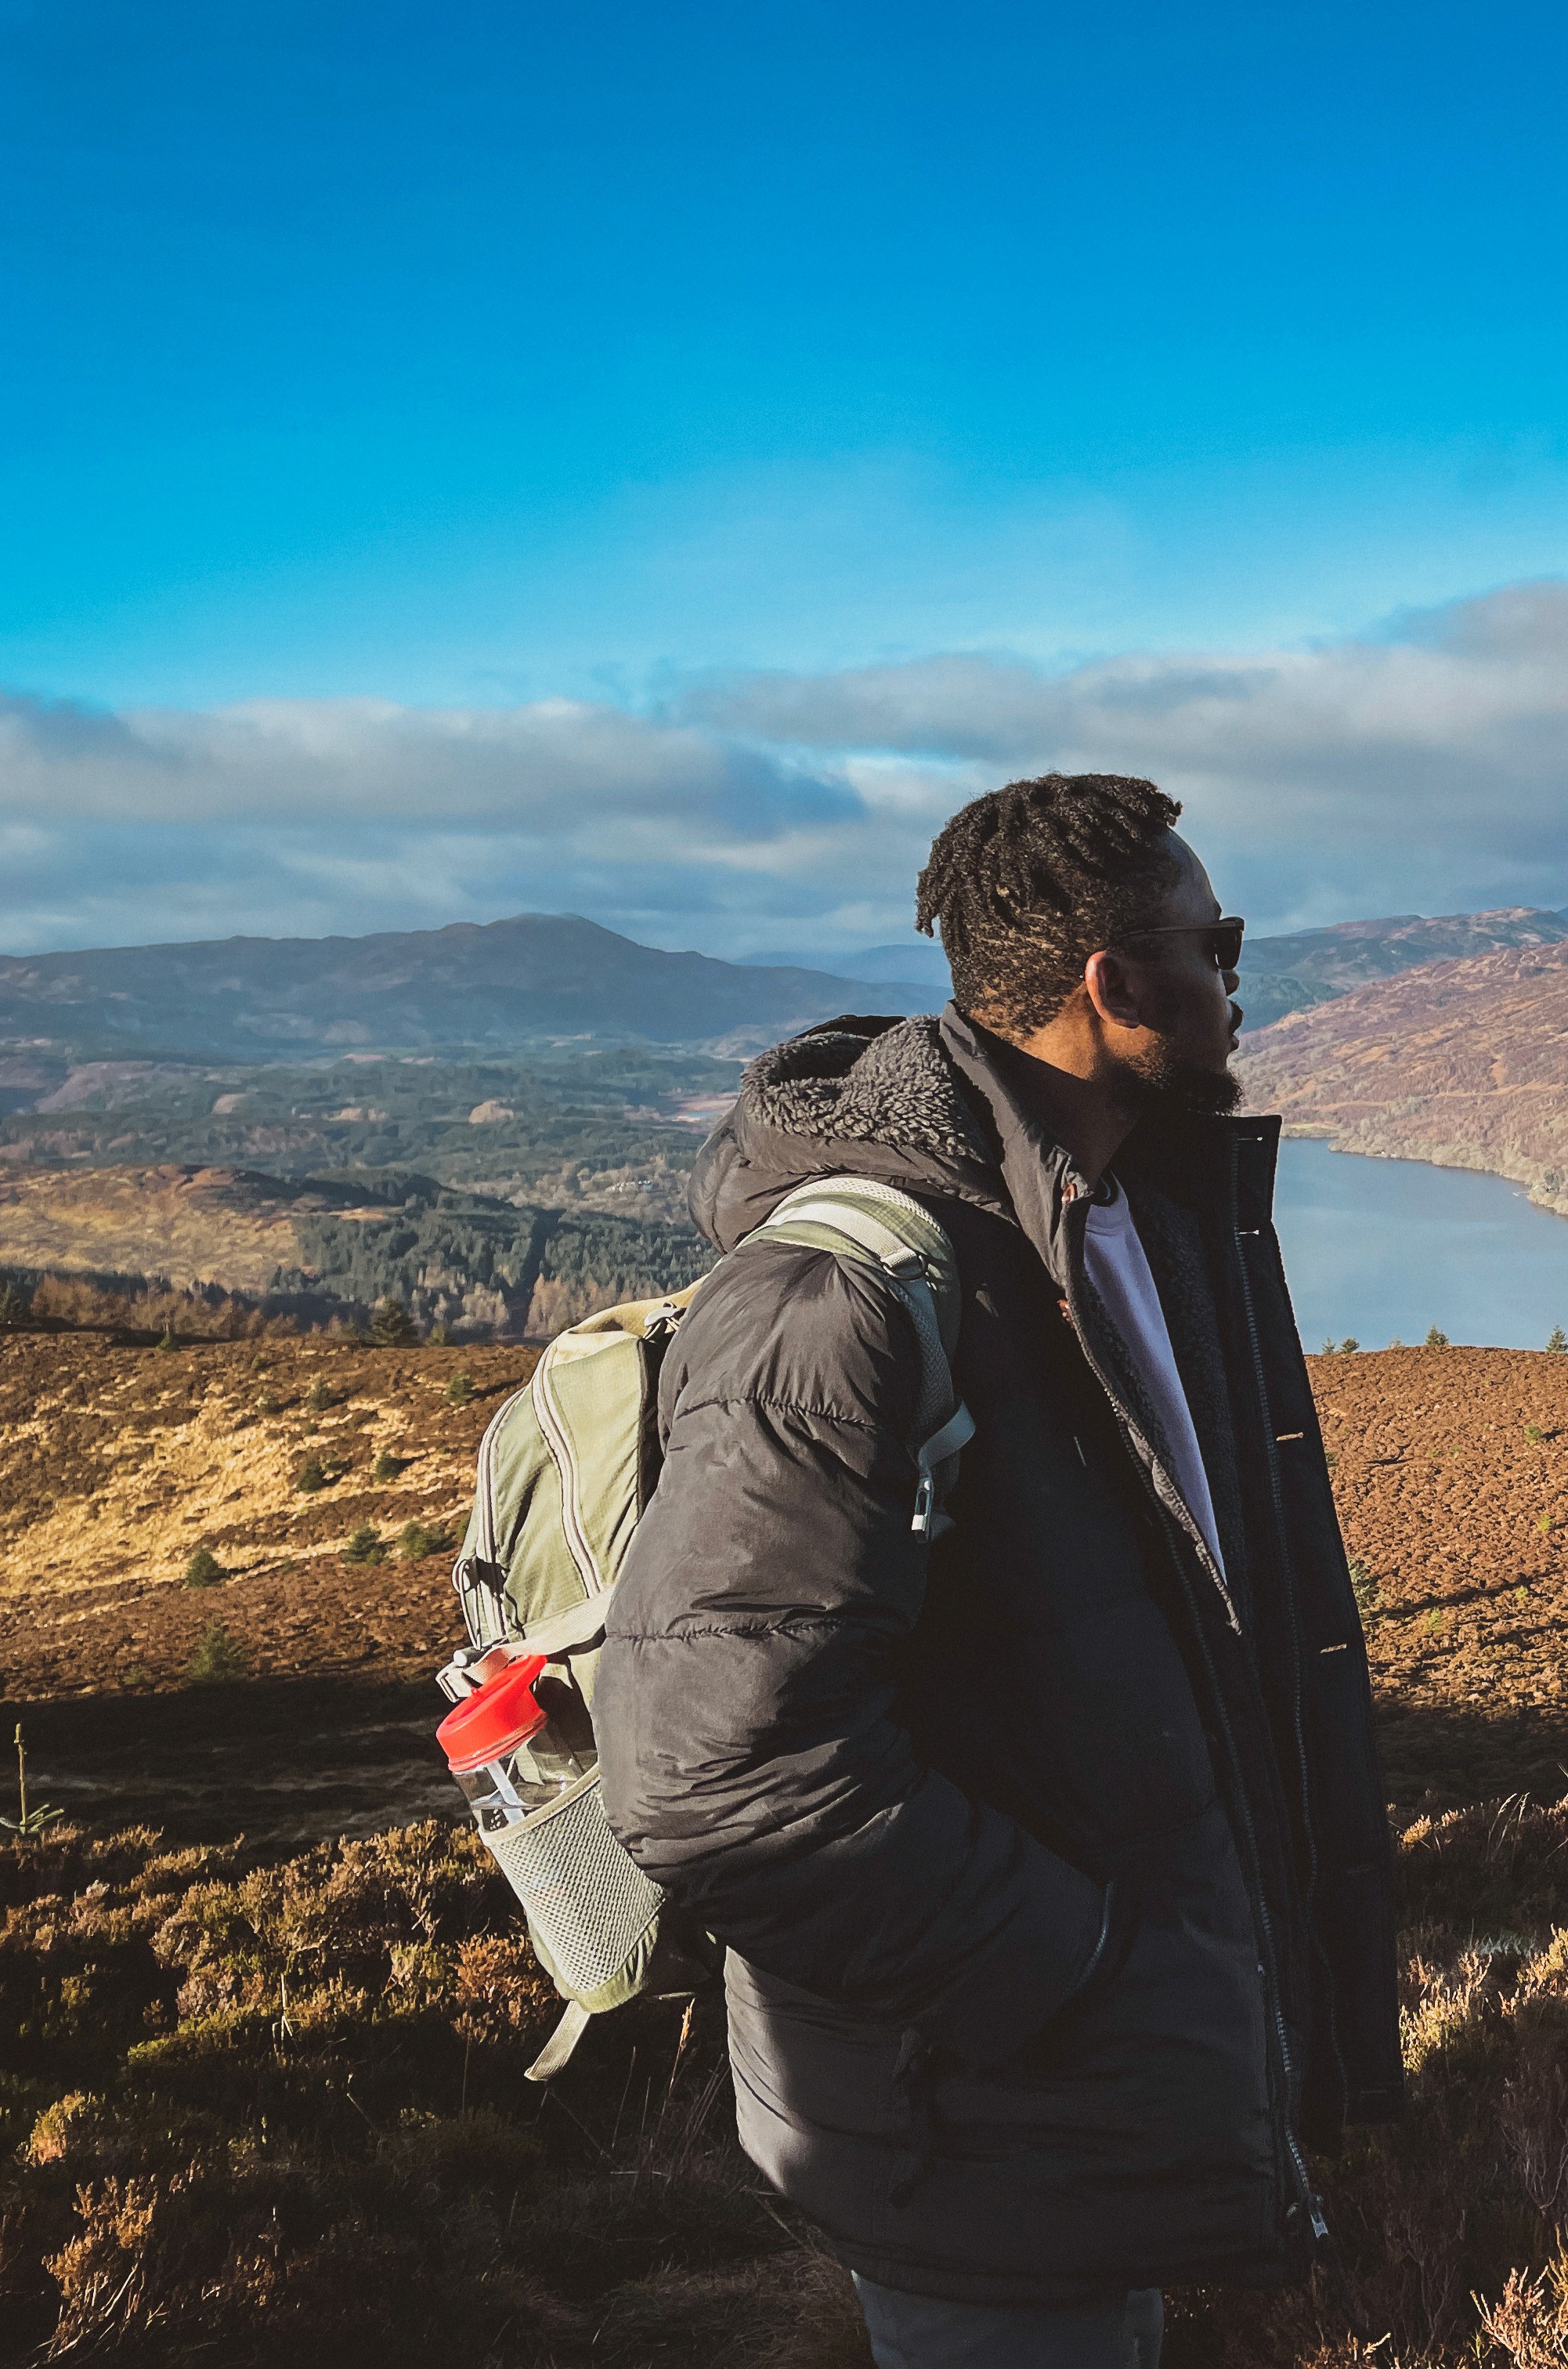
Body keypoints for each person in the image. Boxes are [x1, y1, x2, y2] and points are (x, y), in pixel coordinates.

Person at [596, 773, 1401, 2368]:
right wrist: (1085, 1968)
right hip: (977, 2113)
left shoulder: (1129, 1217)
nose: (1236, 977)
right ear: (1112, 984)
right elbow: (713, 1776)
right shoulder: (840, 1299)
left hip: (1108, 2079)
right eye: (1214, 940)